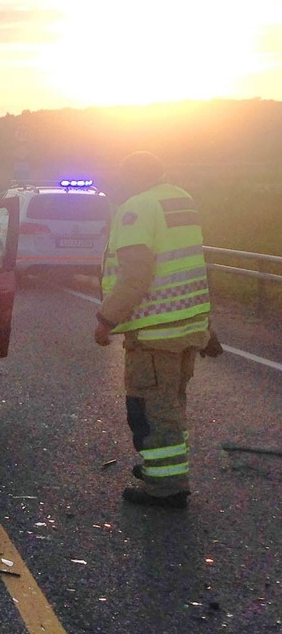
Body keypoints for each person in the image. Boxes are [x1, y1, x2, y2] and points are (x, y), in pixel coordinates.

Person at [94, 151, 222, 509]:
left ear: (131, 178)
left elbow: (136, 274)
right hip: (186, 328)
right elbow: (188, 267)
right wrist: (208, 328)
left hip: (154, 335)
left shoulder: (137, 209)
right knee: (171, 406)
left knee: (150, 410)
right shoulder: (181, 201)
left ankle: (165, 487)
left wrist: (107, 319)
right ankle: (163, 468)